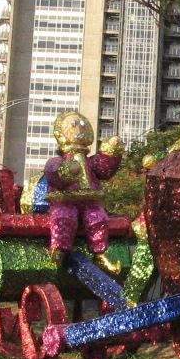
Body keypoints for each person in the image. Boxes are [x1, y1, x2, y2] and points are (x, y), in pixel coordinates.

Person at [44, 111, 123, 274]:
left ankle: (100, 254)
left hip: (91, 201)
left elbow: (103, 169)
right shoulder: (60, 160)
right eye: (73, 125)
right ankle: (58, 251)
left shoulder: (90, 161)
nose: (79, 127)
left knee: (98, 219)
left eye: (81, 124)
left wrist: (111, 153)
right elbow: (52, 172)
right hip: (65, 200)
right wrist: (66, 171)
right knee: (64, 217)